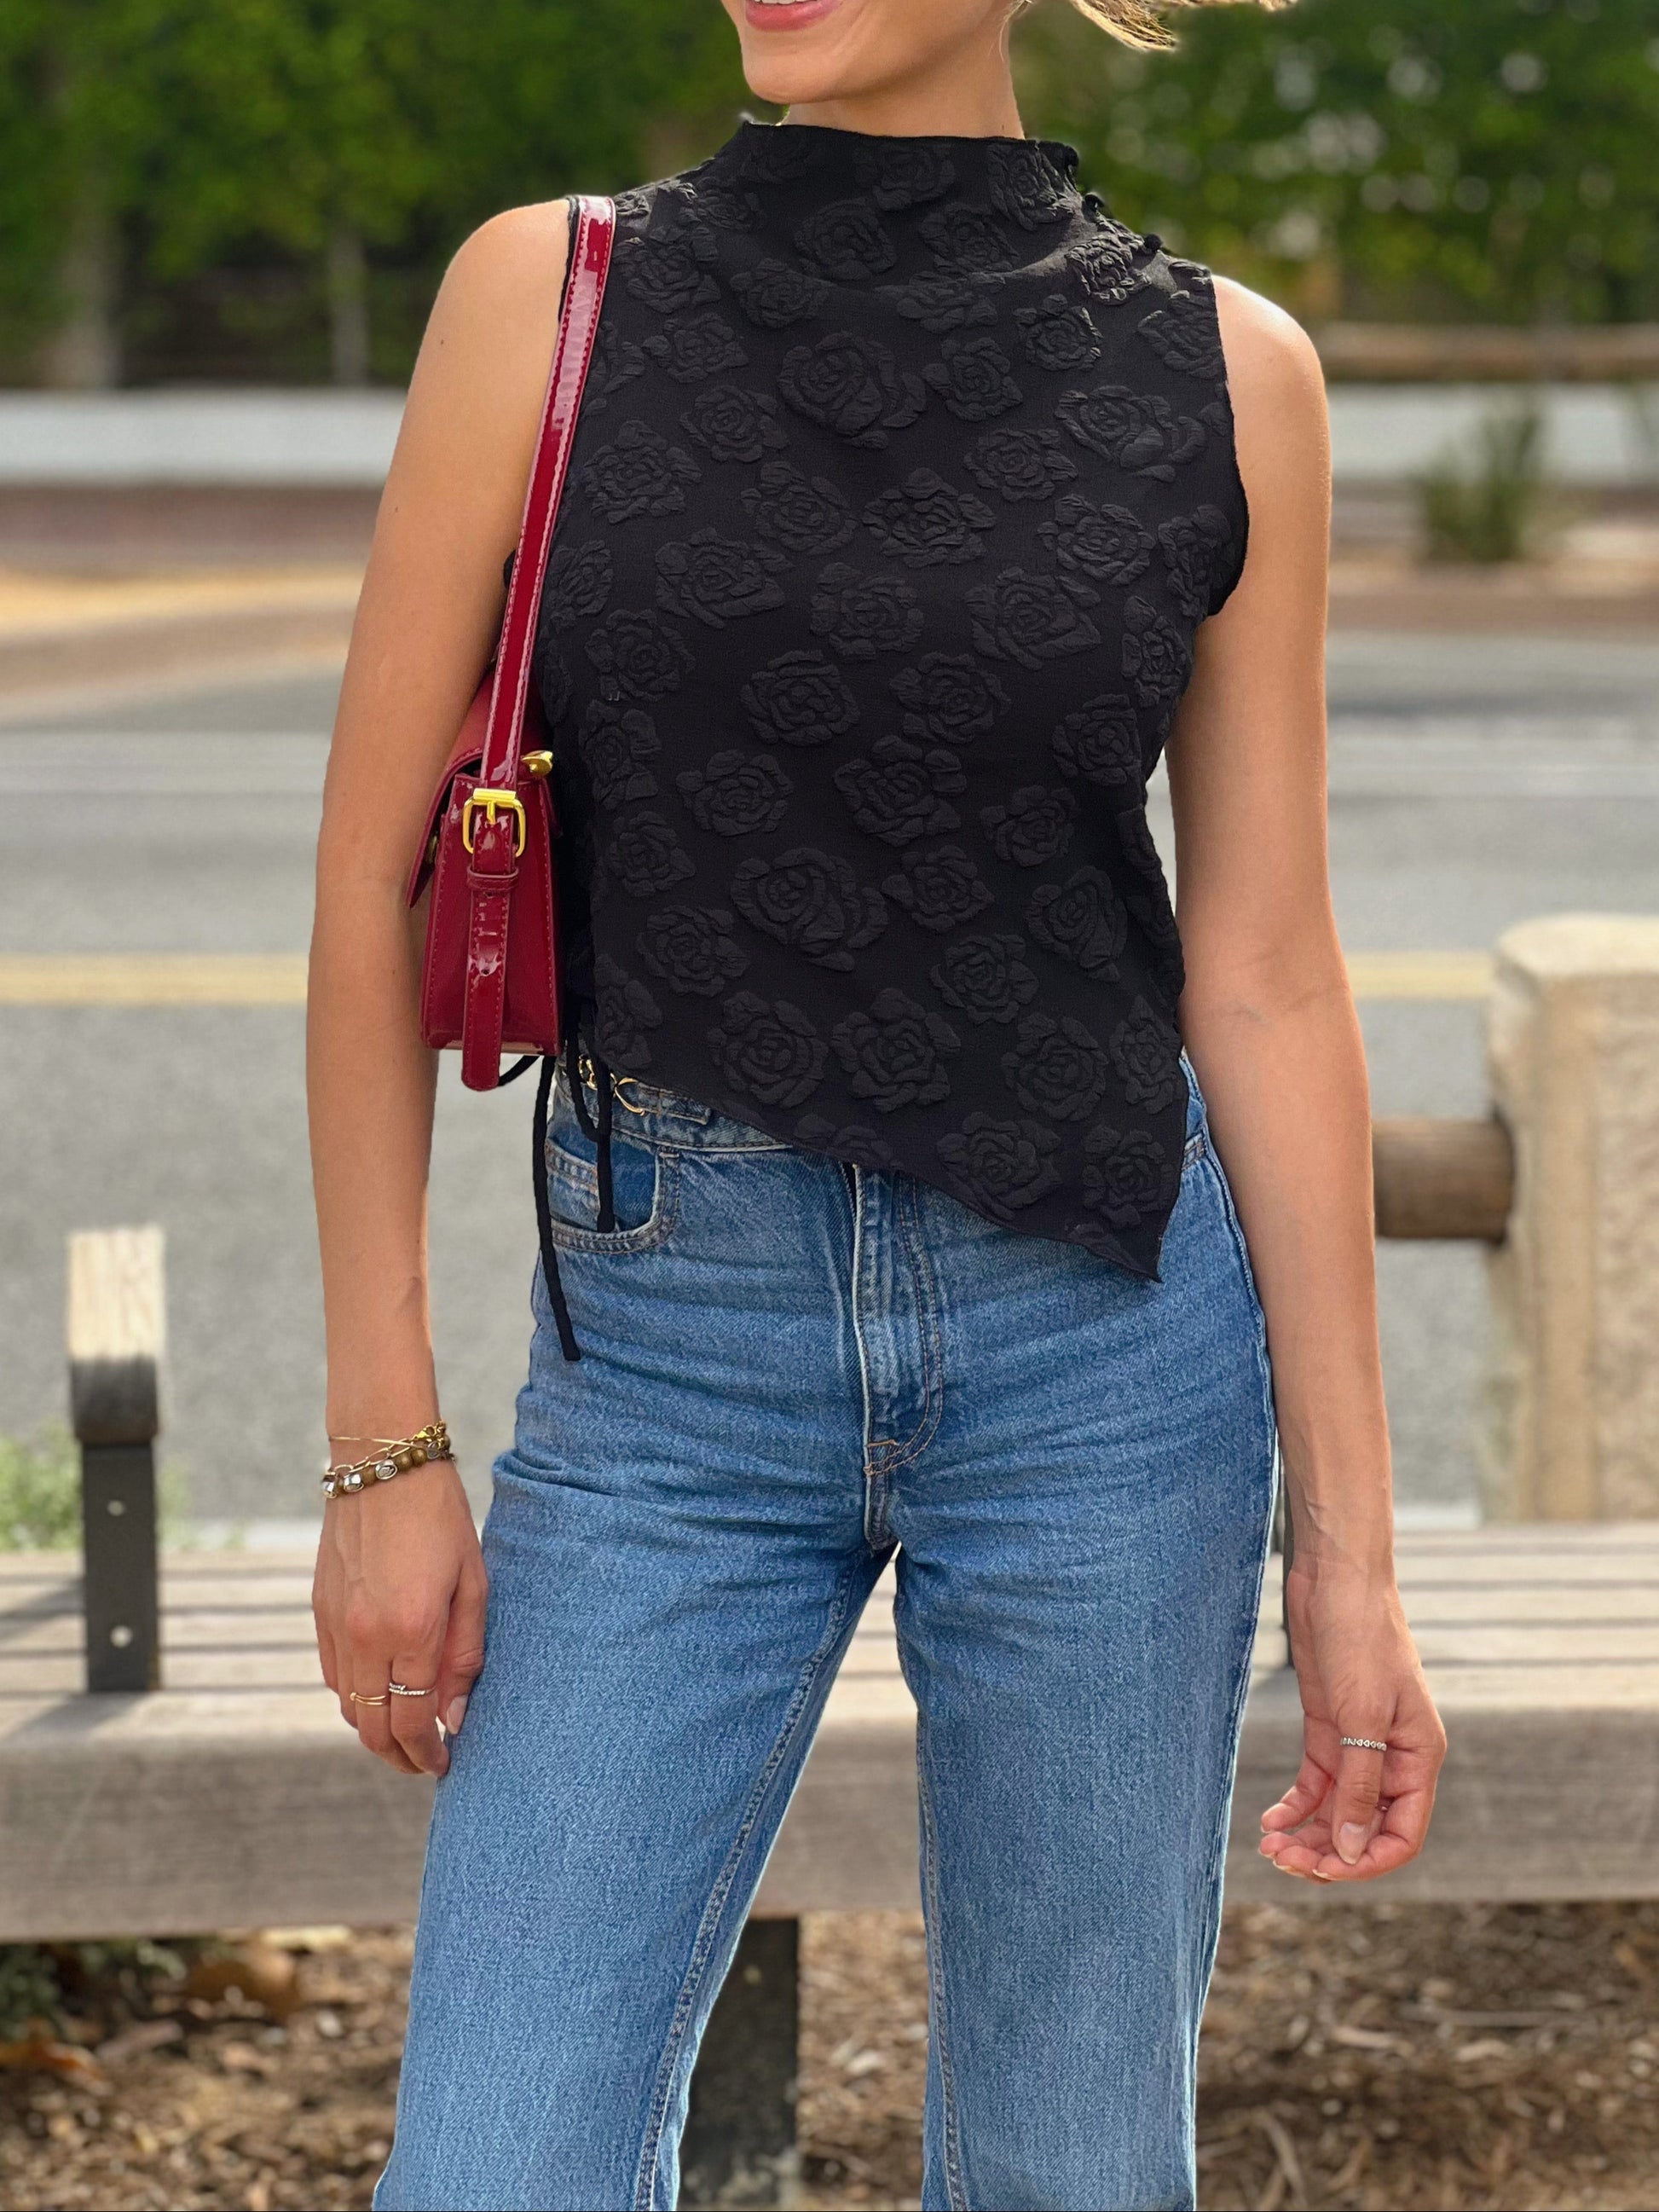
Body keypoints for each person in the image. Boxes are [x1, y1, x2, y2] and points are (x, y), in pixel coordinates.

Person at [308, 0, 1447, 2203]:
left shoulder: (1232, 377)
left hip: (1107, 1358)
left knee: (1064, 2165)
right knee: (494, 2163)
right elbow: (369, 877)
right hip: (666, 1358)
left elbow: (1269, 972)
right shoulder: (537, 301)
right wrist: (385, 1441)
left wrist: (1351, 1556)